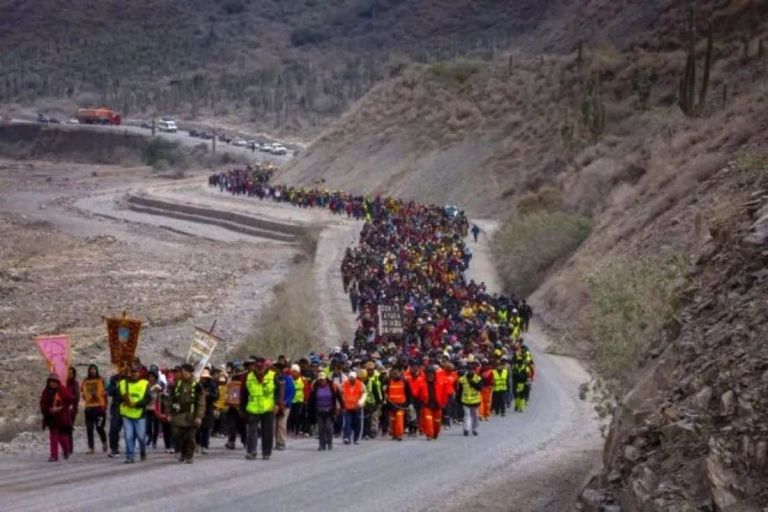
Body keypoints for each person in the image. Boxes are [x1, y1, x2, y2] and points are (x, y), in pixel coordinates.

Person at [241, 357, 283, 460]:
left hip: (267, 407)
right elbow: (244, 393)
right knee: (252, 431)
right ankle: (251, 451)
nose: (259, 368)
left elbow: (279, 391)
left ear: (265, 366)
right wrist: (242, 408)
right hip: (253, 407)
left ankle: (266, 452)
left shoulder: (272, 375)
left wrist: (277, 404)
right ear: (255, 366)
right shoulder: (248, 376)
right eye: (257, 366)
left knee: (267, 431)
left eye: (261, 366)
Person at [171, 364, 205, 463]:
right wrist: (169, 412)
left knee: (190, 436)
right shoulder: (177, 384)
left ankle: (189, 455)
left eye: (186, 371)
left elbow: (201, 402)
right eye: (183, 371)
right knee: (178, 435)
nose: (184, 373)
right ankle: (182, 452)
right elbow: (170, 399)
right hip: (179, 414)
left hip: (192, 414)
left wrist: (199, 416)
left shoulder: (197, 385)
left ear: (191, 373)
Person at [118, 364, 152, 463]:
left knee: (141, 437)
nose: (135, 374)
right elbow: (117, 397)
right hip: (127, 414)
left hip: (140, 414)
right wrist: (124, 399)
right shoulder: (123, 383)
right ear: (130, 373)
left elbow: (148, 398)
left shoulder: (144, 383)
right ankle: (130, 456)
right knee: (128, 436)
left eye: (136, 372)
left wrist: (136, 404)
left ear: (139, 373)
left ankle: (142, 451)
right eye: (133, 372)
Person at [40, 373, 73, 462]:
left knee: (62, 437)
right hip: (51, 418)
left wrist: (61, 408)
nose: (52, 383)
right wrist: (49, 410)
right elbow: (43, 405)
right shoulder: (45, 392)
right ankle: (54, 455)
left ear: (57, 382)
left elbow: (70, 399)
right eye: (51, 381)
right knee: (53, 436)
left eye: (54, 382)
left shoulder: (62, 390)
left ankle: (66, 450)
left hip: (62, 417)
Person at [308, 371, 340, 451]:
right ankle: (321, 445)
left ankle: (330, 443)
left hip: (329, 411)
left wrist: (341, 407)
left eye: (323, 379)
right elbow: (311, 400)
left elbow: (338, 397)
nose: (322, 381)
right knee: (321, 428)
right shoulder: (315, 388)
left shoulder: (332, 387)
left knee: (329, 427)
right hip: (319, 411)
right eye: (320, 380)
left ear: (326, 379)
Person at [414, 366, 448, 440]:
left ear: (434, 374)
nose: (430, 375)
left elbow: (445, 393)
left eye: (431, 373)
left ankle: (435, 433)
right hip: (427, 405)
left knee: (437, 422)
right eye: (428, 373)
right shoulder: (421, 382)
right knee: (428, 420)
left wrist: (444, 403)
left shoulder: (440, 382)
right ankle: (429, 435)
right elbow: (416, 393)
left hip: (438, 405)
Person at [80, 364, 108, 454]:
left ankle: (104, 442)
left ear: (97, 370)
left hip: (100, 408)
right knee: (89, 428)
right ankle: (91, 448)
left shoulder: (102, 380)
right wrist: (84, 396)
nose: (93, 371)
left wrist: (104, 399)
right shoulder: (85, 381)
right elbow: (82, 392)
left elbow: (107, 390)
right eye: (91, 369)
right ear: (89, 370)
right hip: (89, 408)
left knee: (99, 427)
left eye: (94, 369)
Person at [457, 361, 483, 436]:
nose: (471, 371)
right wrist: (458, 399)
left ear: (475, 370)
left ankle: (474, 429)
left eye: (472, 370)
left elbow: (480, 388)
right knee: (466, 415)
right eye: (469, 370)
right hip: (465, 400)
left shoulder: (478, 378)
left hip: (475, 400)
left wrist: (472, 382)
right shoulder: (462, 379)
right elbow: (460, 390)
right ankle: (466, 429)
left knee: (475, 416)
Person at [384, 366, 411, 441]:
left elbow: (408, 394)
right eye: (394, 373)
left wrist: (408, 404)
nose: (395, 374)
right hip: (391, 405)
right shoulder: (389, 382)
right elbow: (386, 393)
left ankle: (399, 435)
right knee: (393, 420)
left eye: (397, 373)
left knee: (399, 418)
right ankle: (394, 434)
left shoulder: (405, 382)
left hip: (401, 405)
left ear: (400, 373)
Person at [195, 368, 218, 454]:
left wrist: (208, 395)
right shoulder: (197, 384)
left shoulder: (212, 384)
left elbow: (216, 396)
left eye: (205, 377)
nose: (204, 379)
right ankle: (197, 444)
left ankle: (204, 445)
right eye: (202, 377)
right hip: (198, 407)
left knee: (206, 428)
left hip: (208, 408)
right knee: (197, 427)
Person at [106, 365, 128, 458]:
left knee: (129, 429)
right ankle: (114, 448)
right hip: (116, 406)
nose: (123, 368)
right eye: (121, 366)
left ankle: (132, 447)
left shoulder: (130, 379)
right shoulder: (114, 379)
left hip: (128, 406)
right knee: (114, 428)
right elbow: (109, 391)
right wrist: (117, 387)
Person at [341, 371, 366, 445]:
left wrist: (361, 402)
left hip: (357, 407)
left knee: (357, 423)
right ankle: (347, 437)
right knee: (347, 422)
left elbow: (364, 393)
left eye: (353, 379)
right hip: (348, 407)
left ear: (355, 378)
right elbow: (341, 393)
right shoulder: (345, 384)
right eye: (350, 379)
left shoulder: (361, 384)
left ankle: (356, 439)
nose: (351, 380)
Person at [275, 367, 295, 451]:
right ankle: (277, 442)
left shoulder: (289, 380)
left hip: (285, 406)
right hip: (276, 404)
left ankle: (282, 442)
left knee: (282, 424)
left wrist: (286, 402)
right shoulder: (276, 379)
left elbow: (291, 392)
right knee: (276, 424)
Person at [362, 363, 383, 439]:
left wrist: (380, 401)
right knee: (366, 417)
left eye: (371, 369)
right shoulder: (363, 377)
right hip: (365, 401)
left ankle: (373, 431)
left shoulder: (377, 376)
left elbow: (380, 388)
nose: (370, 371)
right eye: (368, 370)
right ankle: (366, 432)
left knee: (374, 416)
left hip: (376, 398)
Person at [65, 367, 79, 453]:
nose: (69, 375)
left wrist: (69, 397)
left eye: (71, 373)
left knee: (68, 428)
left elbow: (77, 396)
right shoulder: (63, 382)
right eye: (68, 373)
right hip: (63, 408)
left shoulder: (75, 383)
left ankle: (70, 448)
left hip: (72, 409)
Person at [288, 364, 304, 437]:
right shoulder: (289, 379)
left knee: (297, 416)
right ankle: (290, 430)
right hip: (291, 400)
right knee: (290, 416)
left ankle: (296, 431)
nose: (294, 373)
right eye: (293, 371)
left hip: (299, 400)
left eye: (295, 371)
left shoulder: (302, 379)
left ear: (298, 372)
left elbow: (306, 389)